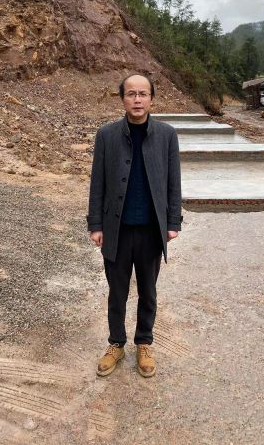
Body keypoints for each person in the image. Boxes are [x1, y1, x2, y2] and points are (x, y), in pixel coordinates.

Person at [86, 73, 183, 378]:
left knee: (148, 291)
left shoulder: (167, 135)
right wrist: (96, 224)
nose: (137, 100)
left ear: (151, 99)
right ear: (122, 99)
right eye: (131, 94)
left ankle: (144, 343)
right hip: (117, 229)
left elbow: (173, 183)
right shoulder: (107, 135)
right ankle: (116, 343)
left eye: (143, 94)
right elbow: (97, 183)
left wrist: (173, 222)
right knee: (117, 292)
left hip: (151, 230)